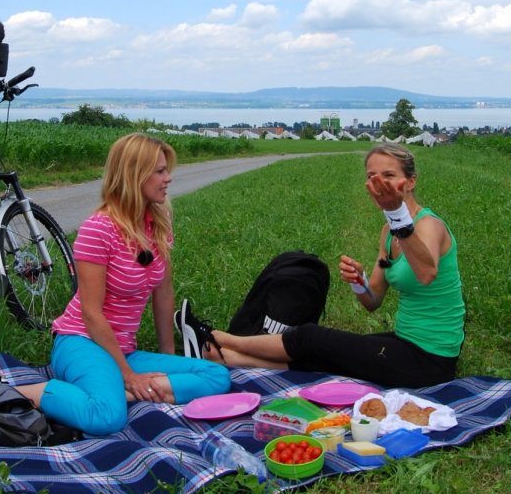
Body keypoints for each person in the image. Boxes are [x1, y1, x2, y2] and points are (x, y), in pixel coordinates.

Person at [176, 143, 465, 389]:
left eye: (389, 176)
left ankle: (216, 338)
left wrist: (396, 212)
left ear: (410, 182)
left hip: (431, 359)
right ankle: (224, 358)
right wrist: (358, 282)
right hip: (405, 341)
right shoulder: (388, 232)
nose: (380, 184)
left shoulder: (429, 226)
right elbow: (373, 302)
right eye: (372, 176)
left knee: (311, 336)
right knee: (325, 353)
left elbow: (426, 274)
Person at [16, 133, 230, 435]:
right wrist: (128, 375)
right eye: (159, 171)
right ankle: (33, 392)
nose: (168, 178)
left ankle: (115, 391)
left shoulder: (158, 224)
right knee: (106, 418)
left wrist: (168, 357)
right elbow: (91, 314)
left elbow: (164, 295)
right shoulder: (98, 229)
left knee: (216, 376)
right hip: (82, 342)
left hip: (123, 349)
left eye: (166, 169)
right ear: (134, 175)